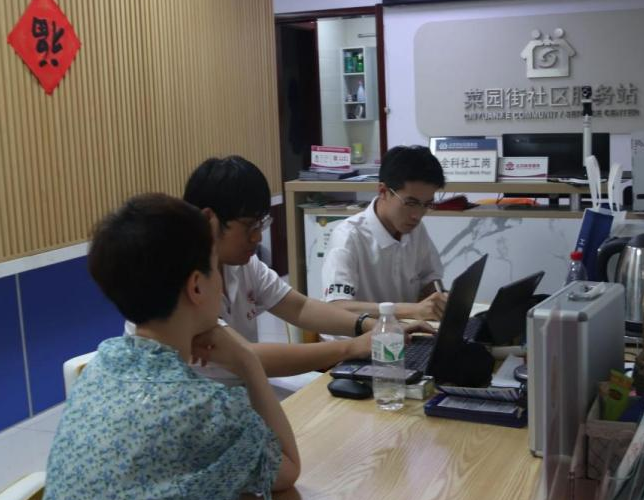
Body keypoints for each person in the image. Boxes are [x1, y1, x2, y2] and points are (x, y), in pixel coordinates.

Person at [42, 193, 299, 500]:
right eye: (215, 268)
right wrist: (247, 361)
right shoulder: (201, 406)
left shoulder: (102, 365)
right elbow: (287, 470)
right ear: (196, 286)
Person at [123, 156, 425, 389]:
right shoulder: (180, 280)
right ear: (209, 221)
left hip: (243, 383)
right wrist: (350, 347)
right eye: (249, 226)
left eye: (262, 224)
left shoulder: (242, 264)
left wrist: (375, 327)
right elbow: (247, 356)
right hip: (203, 396)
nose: (258, 237)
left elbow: (299, 307)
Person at [322, 145, 448, 321]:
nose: (417, 215)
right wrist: (410, 310)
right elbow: (336, 307)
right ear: (383, 191)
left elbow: (429, 278)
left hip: (404, 331)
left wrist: (440, 300)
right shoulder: (348, 237)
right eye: (410, 203)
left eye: (427, 204)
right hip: (359, 337)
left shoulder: (416, 229)